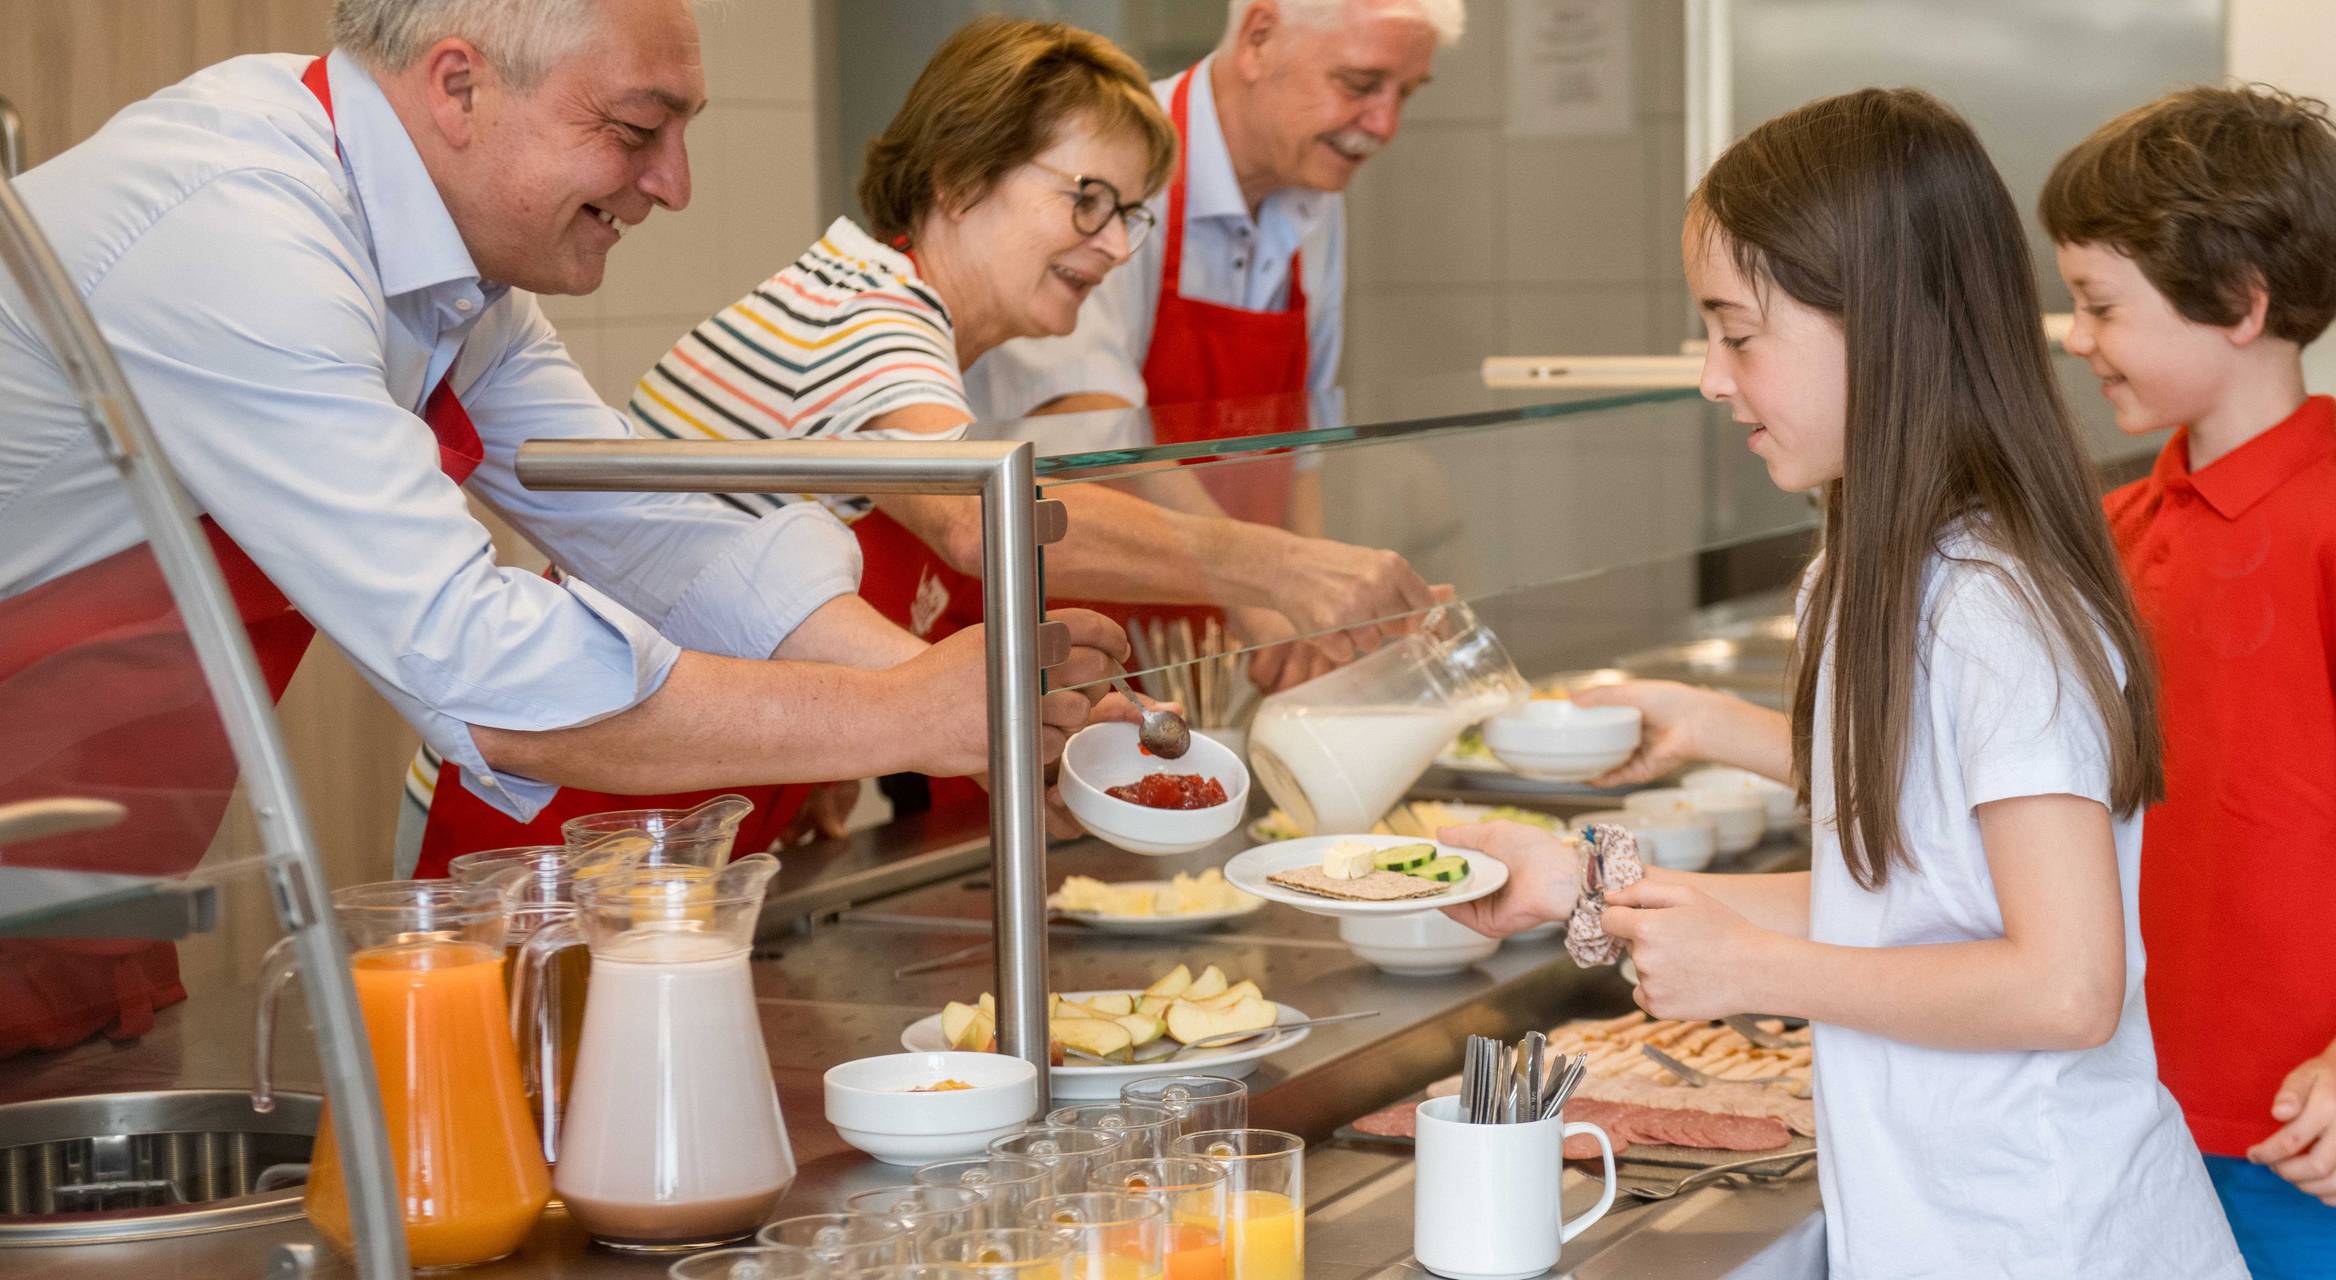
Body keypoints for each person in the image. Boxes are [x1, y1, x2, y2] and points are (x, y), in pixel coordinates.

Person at [0, 0, 1124, 1054]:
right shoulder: (242, 233)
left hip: (76, 873)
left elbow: (654, 528)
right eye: (638, 129)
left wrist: (967, 693)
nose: (673, 184)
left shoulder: (447, 268)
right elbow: (486, 670)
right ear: (458, 88)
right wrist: (900, 711)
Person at [1439, 89, 2244, 1278]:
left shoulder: (1992, 606)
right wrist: (1580, 882)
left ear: (1879, 325)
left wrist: (1753, 970)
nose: (1713, 379)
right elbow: (1891, 906)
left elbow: (2068, 984)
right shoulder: (1866, 578)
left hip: (2051, 1237)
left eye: (1738, 332)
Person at [399, 16, 1436, 872]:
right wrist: (1282, 567)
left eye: (1129, 215)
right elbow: (977, 520)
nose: (1113, 244)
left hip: (687, 798)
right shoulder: (866, 310)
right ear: (954, 176)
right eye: (1084, 200)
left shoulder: (932, 339)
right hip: (543, 807)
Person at [2036, 86, 2336, 1277]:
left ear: (2238, 304)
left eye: (2097, 304)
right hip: (2150, 1112)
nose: (2074, 334)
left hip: (2326, 1134)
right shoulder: (2117, 525)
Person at [963, 0, 1459, 685]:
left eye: (1405, 92)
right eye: (1359, 84)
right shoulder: (1111, 165)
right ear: (1258, 39)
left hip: (1210, 651)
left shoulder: (1314, 198)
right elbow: (1091, 426)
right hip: (1065, 643)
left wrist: (1321, 626)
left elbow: (1301, 445)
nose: (1385, 124)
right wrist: (1273, 585)